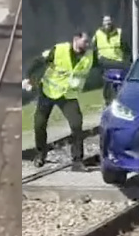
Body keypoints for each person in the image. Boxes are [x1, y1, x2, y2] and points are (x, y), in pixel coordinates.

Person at [22, 32, 100, 171]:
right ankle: (41, 154)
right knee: (39, 124)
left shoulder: (89, 56)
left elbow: (104, 64)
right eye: (85, 41)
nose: (87, 45)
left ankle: (77, 161)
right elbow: (38, 61)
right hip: (48, 92)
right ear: (76, 39)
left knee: (76, 125)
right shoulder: (59, 50)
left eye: (88, 42)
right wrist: (29, 77)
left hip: (68, 96)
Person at [93, 15, 131, 105]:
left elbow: (127, 49)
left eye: (109, 21)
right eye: (105, 21)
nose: (107, 23)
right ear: (102, 23)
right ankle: (108, 101)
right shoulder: (98, 34)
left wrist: (126, 61)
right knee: (107, 82)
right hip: (104, 62)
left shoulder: (119, 33)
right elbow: (94, 49)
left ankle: (120, 100)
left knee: (120, 82)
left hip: (118, 63)